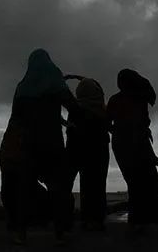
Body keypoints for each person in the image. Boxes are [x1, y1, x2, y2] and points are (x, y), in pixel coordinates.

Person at [0, 49, 78, 245]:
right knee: (58, 188)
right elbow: (74, 107)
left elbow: (16, 117)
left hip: (27, 144)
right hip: (52, 143)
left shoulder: (22, 87)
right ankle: (60, 232)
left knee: (24, 189)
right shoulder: (55, 81)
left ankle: (20, 232)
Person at [107, 68, 158, 230]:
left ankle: (137, 220)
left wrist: (117, 131)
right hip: (140, 143)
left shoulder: (115, 100)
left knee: (133, 182)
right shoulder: (140, 97)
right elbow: (143, 121)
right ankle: (154, 217)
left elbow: (106, 121)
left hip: (122, 145)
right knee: (149, 180)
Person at [64, 74, 110, 231]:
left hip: (77, 150)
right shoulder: (102, 109)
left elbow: (62, 94)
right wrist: (80, 77)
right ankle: (97, 220)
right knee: (97, 186)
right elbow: (98, 89)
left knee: (84, 185)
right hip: (100, 152)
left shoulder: (76, 108)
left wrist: (67, 79)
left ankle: (84, 219)